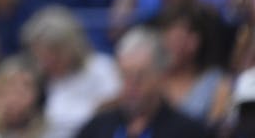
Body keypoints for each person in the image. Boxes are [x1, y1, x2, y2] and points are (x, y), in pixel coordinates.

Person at [74, 28, 210, 138]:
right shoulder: (96, 127)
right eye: (125, 76)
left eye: (140, 76)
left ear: (161, 77)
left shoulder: (189, 131)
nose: (131, 84)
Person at [20, 6, 122, 138]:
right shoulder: (39, 81)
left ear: (71, 47)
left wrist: (98, 109)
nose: (47, 62)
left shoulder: (100, 68)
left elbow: (117, 105)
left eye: (54, 54)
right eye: (41, 56)